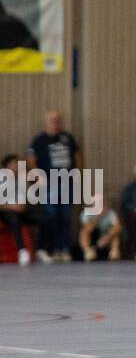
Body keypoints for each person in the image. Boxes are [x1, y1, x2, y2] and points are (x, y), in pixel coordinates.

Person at [28, 110, 80, 263]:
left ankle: (63, 248)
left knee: (65, 216)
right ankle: (50, 248)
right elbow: (31, 159)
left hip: (66, 182)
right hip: (49, 184)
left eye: (58, 120)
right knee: (51, 216)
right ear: (46, 122)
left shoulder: (67, 138)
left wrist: (77, 176)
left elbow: (77, 157)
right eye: (52, 120)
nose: (55, 123)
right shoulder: (40, 140)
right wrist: (38, 177)